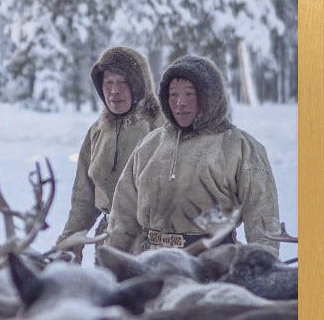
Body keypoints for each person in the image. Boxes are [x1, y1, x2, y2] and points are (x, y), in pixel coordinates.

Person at [106, 54, 280, 255]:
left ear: (209, 96)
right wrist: (114, 260)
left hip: (214, 265)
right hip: (151, 263)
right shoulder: (149, 146)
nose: (180, 102)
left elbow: (263, 221)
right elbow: (123, 216)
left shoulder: (241, 147)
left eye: (189, 94)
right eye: (173, 94)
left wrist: (262, 264)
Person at [56, 46, 164, 260]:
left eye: (123, 82)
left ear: (138, 85)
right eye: (108, 83)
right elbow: (84, 199)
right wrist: (69, 241)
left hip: (152, 243)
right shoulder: (97, 132)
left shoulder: (161, 128)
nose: (114, 90)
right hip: (108, 240)